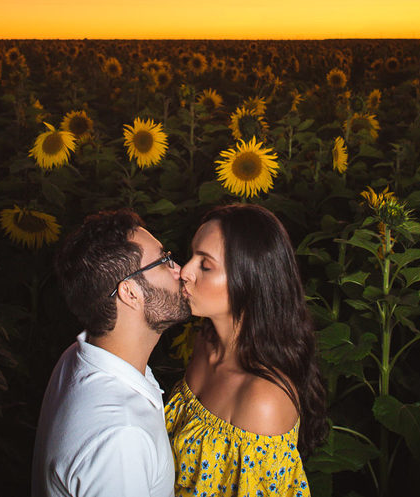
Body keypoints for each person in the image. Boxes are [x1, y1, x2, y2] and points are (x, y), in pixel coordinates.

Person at [166, 204, 327, 497]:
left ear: (250, 279)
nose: (185, 272)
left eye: (205, 265)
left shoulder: (263, 400)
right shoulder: (205, 342)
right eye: (191, 256)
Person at [33, 208, 191, 497]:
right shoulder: (120, 438)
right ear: (130, 293)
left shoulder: (79, 356)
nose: (181, 270)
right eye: (164, 261)